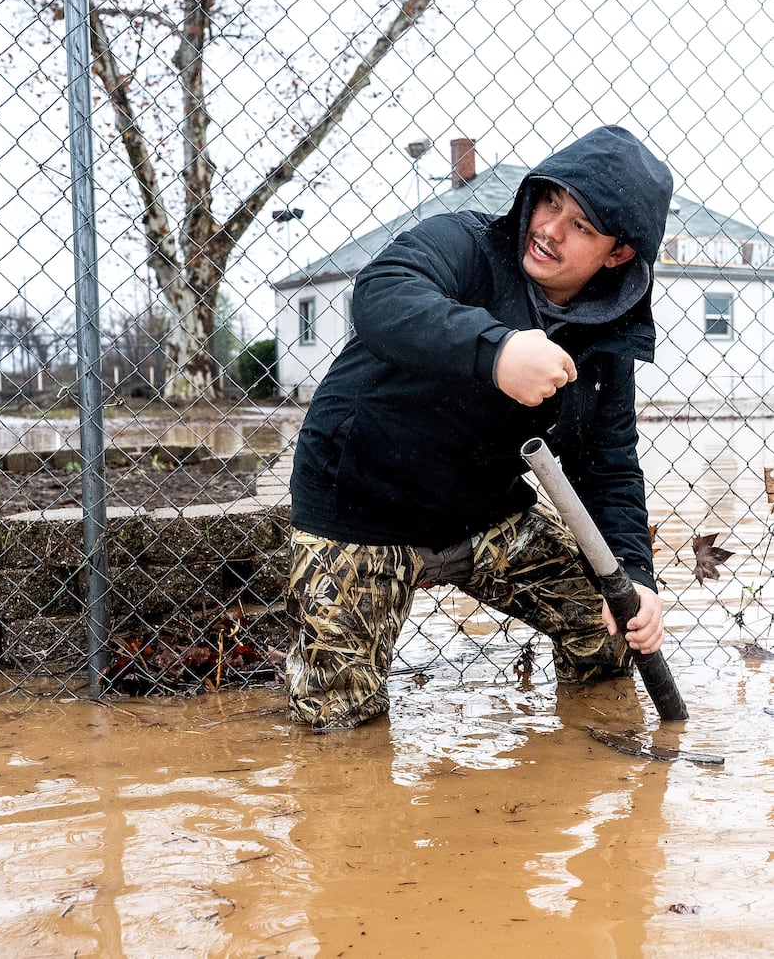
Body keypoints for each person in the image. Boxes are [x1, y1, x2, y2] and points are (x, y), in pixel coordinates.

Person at [286, 124, 674, 732]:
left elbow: (609, 464)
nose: (548, 229)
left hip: (486, 515)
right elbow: (381, 296)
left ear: (618, 252)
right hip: (361, 507)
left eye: (582, 226)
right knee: (337, 731)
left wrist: (634, 573)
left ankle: (573, 777)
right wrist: (497, 352)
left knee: (611, 635)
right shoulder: (463, 242)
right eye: (550, 202)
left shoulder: (606, 337)